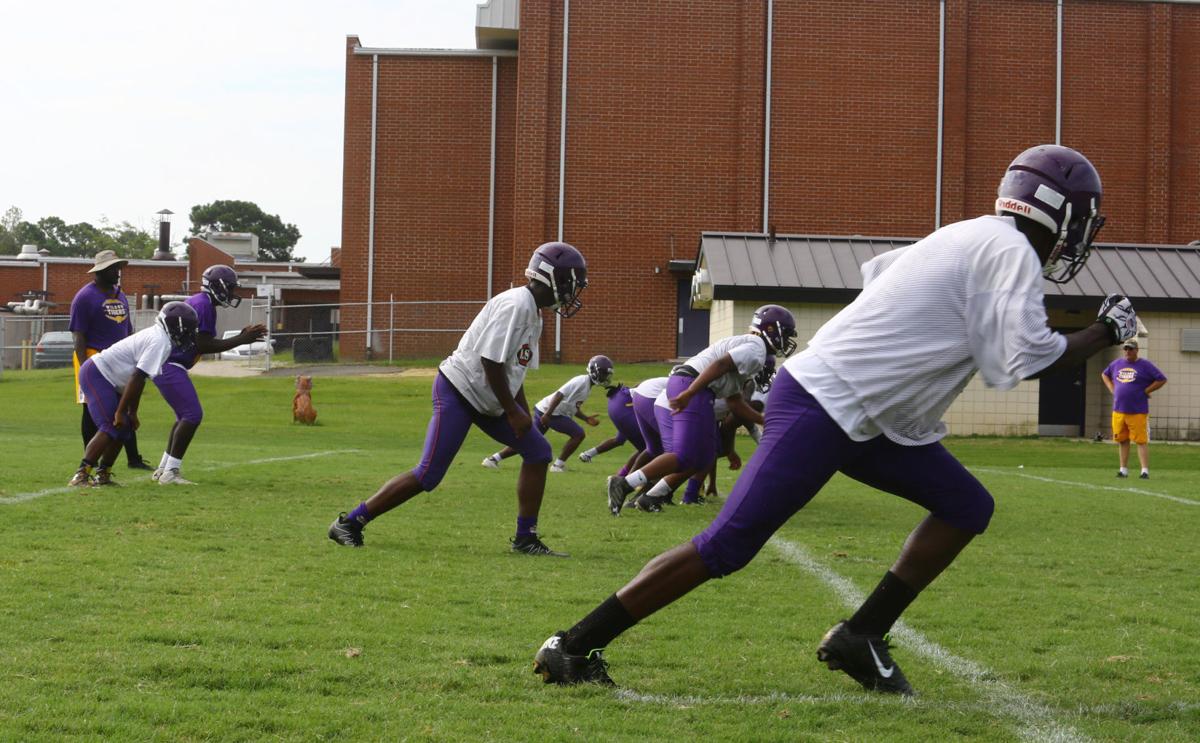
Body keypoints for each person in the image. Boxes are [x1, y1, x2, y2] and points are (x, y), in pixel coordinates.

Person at [533, 145, 1137, 695]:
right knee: (727, 546)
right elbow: (1029, 360)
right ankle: (574, 643)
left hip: (870, 417)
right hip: (826, 402)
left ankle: (862, 636)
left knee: (966, 505)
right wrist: (1104, 331)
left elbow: (881, 274)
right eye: (1082, 220)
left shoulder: (974, 236)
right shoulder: (1009, 252)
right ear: (1061, 213)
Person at [328, 242, 587, 555]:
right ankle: (350, 522)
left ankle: (525, 538)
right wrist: (512, 411)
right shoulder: (517, 305)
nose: (575, 292)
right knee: (428, 474)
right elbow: (490, 362)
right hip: (460, 390)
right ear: (554, 278)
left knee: (538, 451)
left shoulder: (534, 312)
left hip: (488, 398)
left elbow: (514, 372)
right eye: (573, 283)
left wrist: (520, 412)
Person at [605, 305, 796, 516]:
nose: (787, 341)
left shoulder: (751, 347)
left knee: (705, 455)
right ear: (771, 329)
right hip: (693, 385)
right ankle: (624, 484)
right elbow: (720, 364)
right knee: (682, 455)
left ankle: (652, 495)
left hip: (696, 388)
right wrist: (690, 392)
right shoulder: (757, 348)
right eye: (785, 334)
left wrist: (763, 420)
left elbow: (734, 402)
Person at [151, 265, 268, 485]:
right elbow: (203, 344)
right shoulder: (203, 305)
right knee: (192, 415)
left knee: (184, 417)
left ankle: (164, 467)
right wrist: (242, 340)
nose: (233, 294)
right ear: (218, 286)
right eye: (230, 288)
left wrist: (241, 337)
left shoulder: (202, 303)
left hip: (167, 363)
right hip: (170, 363)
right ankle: (170, 472)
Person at [69, 302, 199, 487]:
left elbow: (140, 379)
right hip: (97, 373)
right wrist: (122, 411)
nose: (189, 334)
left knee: (126, 428)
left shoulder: (161, 339)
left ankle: (103, 475)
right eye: (186, 329)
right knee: (111, 424)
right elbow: (136, 378)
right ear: (175, 325)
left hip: (109, 378)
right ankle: (80, 475)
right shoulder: (159, 341)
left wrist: (131, 413)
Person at [69, 250, 152, 471]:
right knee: (90, 410)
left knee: (123, 407)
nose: (118, 273)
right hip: (93, 358)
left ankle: (133, 459)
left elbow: (127, 328)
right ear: (101, 271)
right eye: (114, 269)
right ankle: (91, 459)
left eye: (119, 268)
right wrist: (82, 367)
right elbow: (78, 336)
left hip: (119, 359)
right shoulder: (85, 297)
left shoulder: (120, 294)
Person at [483, 355, 613, 473]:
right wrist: (548, 414)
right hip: (550, 413)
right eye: (602, 373)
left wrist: (585, 418)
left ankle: (493, 459)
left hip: (547, 411)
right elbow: (559, 394)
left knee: (529, 440)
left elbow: (571, 406)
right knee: (578, 434)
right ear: (593, 370)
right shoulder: (581, 381)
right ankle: (557, 465)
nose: (604, 377)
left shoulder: (587, 385)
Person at [1101, 338, 1166, 479]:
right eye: (1126, 349)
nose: (1128, 351)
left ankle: (1144, 471)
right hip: (1119, 410)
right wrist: (1112, 388)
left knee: (1140, 441)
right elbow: (1105, 375)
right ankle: (1123, 469)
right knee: (1122, 440)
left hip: (1137, 410)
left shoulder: (1145, 365)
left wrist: (1147, 390)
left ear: (1137, 350)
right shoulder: (1116, 364)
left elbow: (1161, 379)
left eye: (1131, 349)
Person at [577, 382, 651, 481]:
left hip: (621, 405)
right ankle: (626, 480)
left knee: (619, 440)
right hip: (627, 409)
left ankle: (588, 454)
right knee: (649, 449)